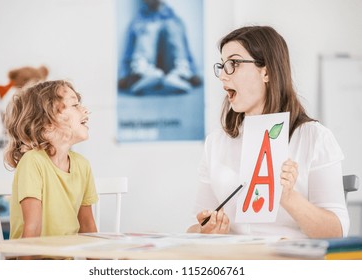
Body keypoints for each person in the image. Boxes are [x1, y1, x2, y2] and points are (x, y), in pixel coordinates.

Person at [187, 26, 349, 239]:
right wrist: (205, 229)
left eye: (233, 64)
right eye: (222, 66)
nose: (223, 77)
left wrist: (289, 198)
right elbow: (193, 228)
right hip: (237, 265)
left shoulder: (315, 138)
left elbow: (337, 233)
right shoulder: (215, 144)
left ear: (267, 71)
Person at [3, 80, 98, 257]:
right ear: (47, 123)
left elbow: (88, 226)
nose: (86, 110)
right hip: (34, 261)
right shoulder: (33, 162)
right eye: (75, 105)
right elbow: (32, 228)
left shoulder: (83, 165)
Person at [118, 0, 201, 95]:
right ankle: (141, 74)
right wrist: (123, 75)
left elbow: (185, 49)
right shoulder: (138, 22)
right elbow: (128, 51)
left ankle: (180, 74)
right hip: (148, 71)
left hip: (170, 68)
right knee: (148, 27)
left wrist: (194, 72)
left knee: (172, 26)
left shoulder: (175, 21)